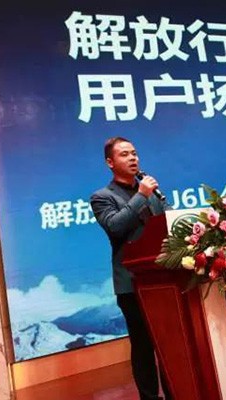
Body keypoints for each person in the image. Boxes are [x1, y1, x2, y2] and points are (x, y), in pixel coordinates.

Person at [90, 137, 172, 400]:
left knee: (170, 345)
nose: (133, 158)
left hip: (163, 279)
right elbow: (115, 226)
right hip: (132, 283)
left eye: (134, 153)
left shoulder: (152, 192)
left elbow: (170, 222)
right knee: (143, 346)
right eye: (124, 154)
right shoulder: (103, 197)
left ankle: (177, 392)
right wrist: (141, 196)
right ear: (110, 162)